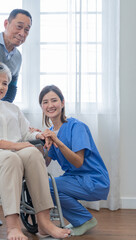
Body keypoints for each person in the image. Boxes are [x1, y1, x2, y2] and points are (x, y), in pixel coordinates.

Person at [0, 62, 71, 240]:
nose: (1, 86)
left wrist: (40, 135)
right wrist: (14, 145)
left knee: (34, 153)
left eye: (5, 83)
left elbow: (25, 133)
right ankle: (13, 226)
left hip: (12, 154)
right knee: (10, 158)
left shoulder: (12, 108)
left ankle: (44, 223)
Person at [39, 85, 110, 236]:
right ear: (41, 106)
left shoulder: (77, 127)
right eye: (45, 102)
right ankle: (80, 218)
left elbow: (78, 162)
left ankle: (84, 220)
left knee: (49, 185)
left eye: (54, 100)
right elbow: (44, 163)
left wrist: (58, 141)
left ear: (62, 103)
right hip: (75, 179)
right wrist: (39, 143)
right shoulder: (51, 132)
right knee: (44, 184)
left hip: (94, 180)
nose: (50, 105)